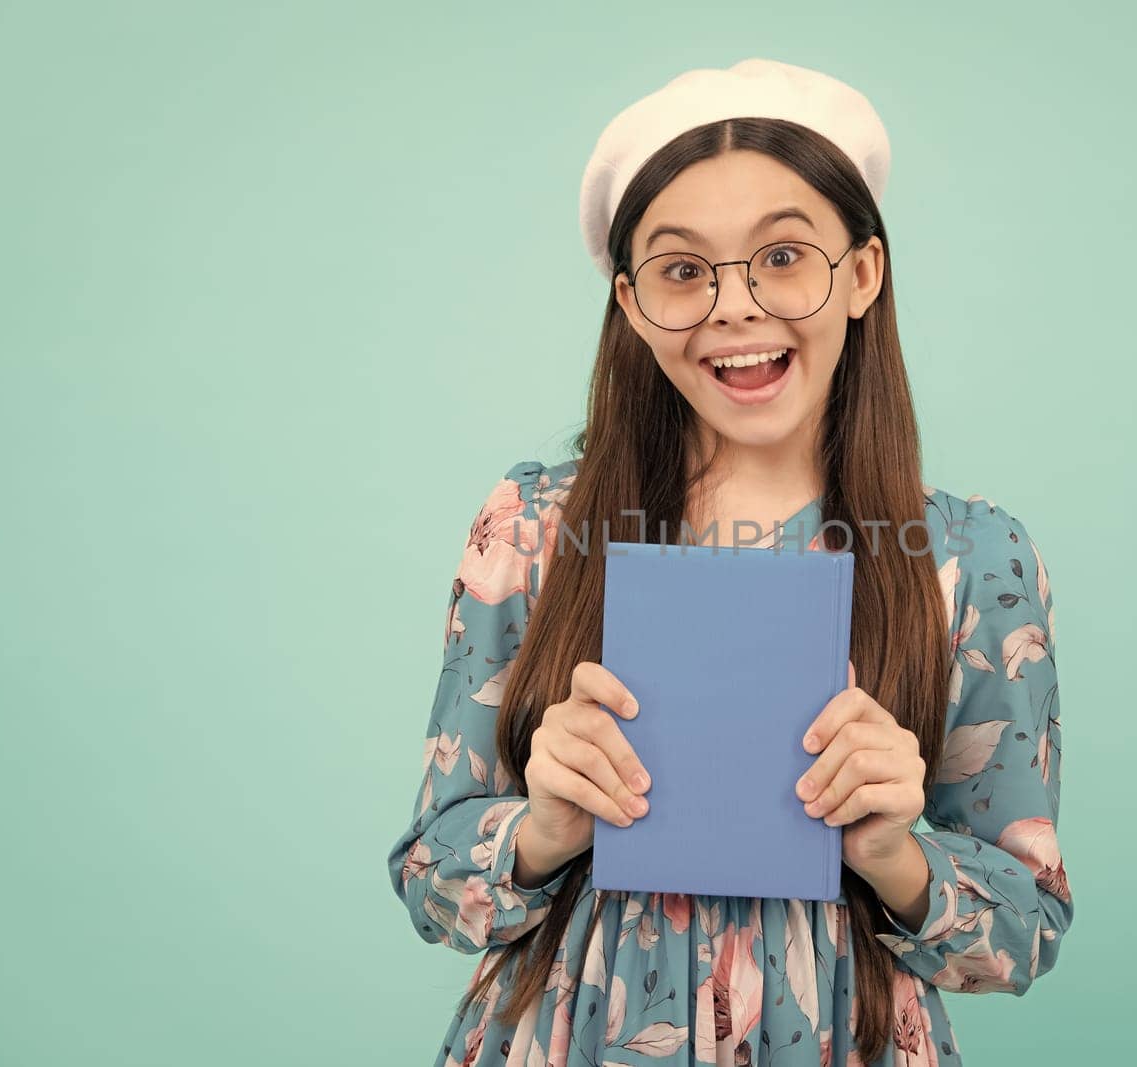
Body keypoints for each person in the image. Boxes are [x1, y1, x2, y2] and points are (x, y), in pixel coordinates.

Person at [385, 57, 1073, 1067]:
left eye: (783, 255)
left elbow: (1023, 930)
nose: (734, 306)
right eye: (681, 269)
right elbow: (432, 882)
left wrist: (895, 850)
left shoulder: (970, 561)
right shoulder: (535, 529)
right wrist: (540, 826)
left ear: (863, 274)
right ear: (629, 301)